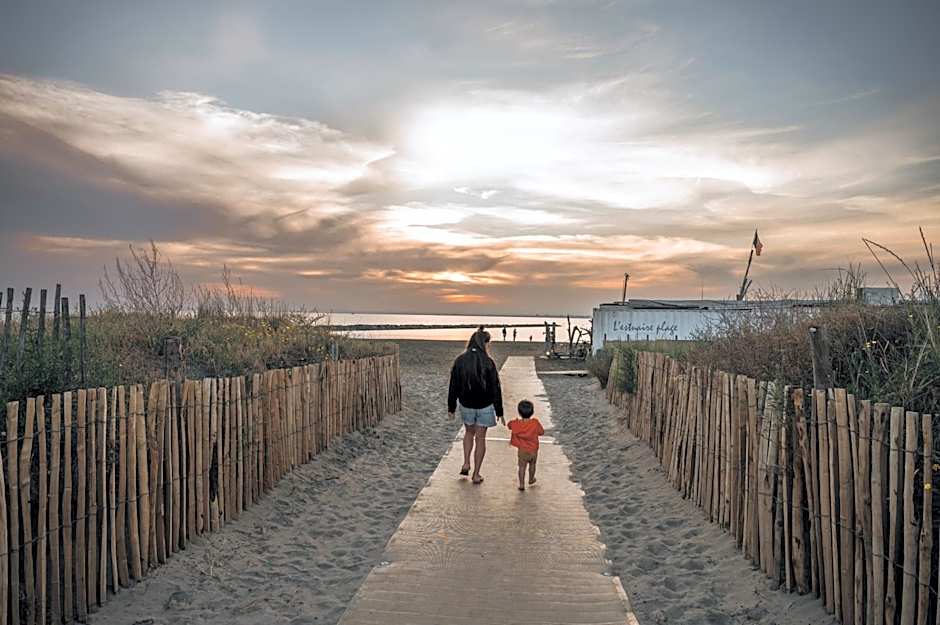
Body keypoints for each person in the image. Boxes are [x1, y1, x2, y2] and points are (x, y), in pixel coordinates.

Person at [447, 327, 504, 484]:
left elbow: (453, 386)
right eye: (487, 344)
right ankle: (476, 474)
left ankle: (466, 463)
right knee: (480, 438)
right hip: (484, 405)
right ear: (483, 344)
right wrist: (499, 410)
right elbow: (495, 388)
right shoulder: (488, 362)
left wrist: (451, 407)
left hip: (466, 404)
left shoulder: (460, 360)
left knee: (468, 433)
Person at [507, 399, 544, 491]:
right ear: (532, 412)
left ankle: (521, 484)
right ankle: (531, 479)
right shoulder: (535, 423)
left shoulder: (517, 424)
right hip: (533, 450)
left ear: (519, 413)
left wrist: (515, 421)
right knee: (532, 464)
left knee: (522, 467)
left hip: (522, 450)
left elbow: (509, 425)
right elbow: (541, 432)